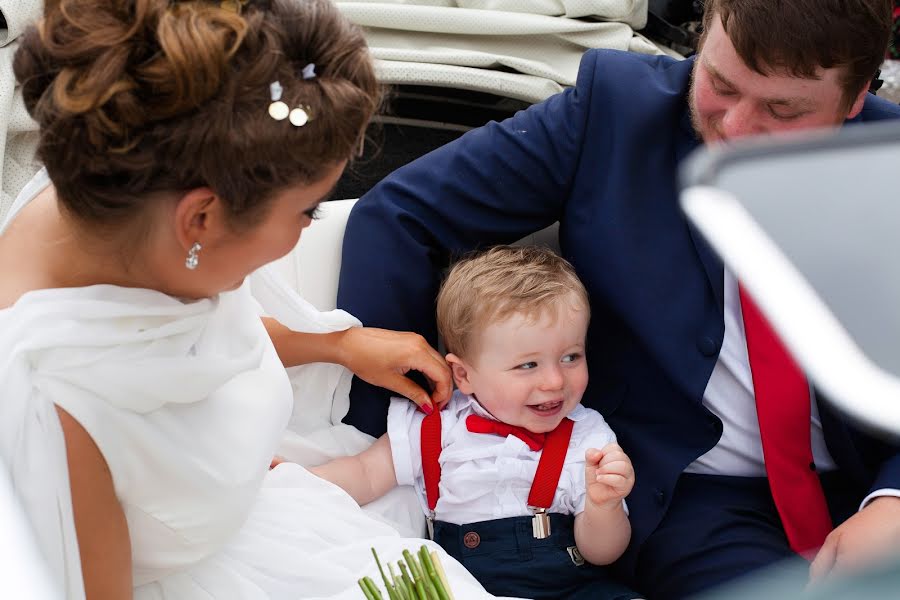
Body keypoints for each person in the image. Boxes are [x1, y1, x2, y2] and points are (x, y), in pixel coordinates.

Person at [336, 0, 900, 598]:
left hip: (868, 475)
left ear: (858, 93)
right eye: (720, 84)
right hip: (690, 495)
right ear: (703, 38)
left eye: (783, 108)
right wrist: (402, 429)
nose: (735, 127)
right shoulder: (614, 112)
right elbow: (398, 218)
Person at [0, 1, 520, 599]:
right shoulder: (50, 413)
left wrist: (340, 345)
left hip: (277, 520)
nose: (306, 230)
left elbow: (173, 338)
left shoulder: (121, 195)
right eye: (308, 211)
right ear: (200, 217)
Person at [315, 246, 638, 600]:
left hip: (569, 589)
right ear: (464, 375)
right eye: (528, 365)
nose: (554, 381)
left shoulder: (586, 436)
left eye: (570, 357)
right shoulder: (436, 426)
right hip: (467, 588)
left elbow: (602, 553)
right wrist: (296, 480)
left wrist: (603, 505)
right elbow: (365, 473)